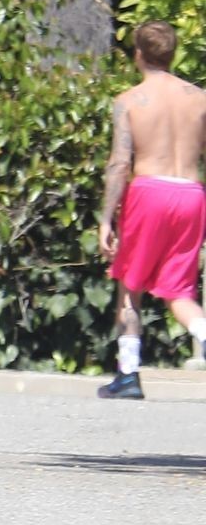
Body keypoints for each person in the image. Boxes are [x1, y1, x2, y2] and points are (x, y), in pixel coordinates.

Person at [96, 20, 206, 400]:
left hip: (149, 192)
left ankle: (128, 374)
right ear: (173, 54)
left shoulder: (129, 101)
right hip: (191, 193)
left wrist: (106, 218)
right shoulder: (200, 99)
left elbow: (119, 164)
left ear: (138, 54)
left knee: (131, 283)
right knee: (179, 291)